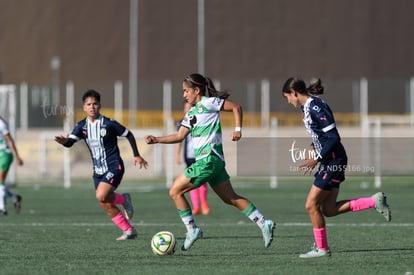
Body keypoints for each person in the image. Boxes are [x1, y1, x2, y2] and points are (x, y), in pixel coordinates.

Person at [145, 73, 275, 251]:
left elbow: (236, 107)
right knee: (231, 198)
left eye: (186, 91)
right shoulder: (191, 113)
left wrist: (238, 130)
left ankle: (192, 230)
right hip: (215, 162)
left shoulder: (209, 102)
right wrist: (156, 140)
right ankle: (263, 222)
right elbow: (179, 136)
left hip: (208, 160)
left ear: (196, 90)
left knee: (175, 191)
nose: (184, 95)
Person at [281, 77, 391, 258]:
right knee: (329, 209)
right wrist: (312, 146)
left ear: (294, 92)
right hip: (330, 160)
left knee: (310, 205)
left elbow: (333, 137)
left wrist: (317, 157)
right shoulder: (306, 107)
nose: (288, 101)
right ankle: (374, 201)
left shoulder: (316, 107)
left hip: (333, 161)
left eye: (287, 97)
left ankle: (322, 249)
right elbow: (320, 133)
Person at [55, 89, 148, 240]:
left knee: (101, 195)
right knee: (104, 202)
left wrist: (136, 154)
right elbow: (70, 143)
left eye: (95, 104)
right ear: (84, 107)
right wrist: (64, 141)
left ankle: (124, 200)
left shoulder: (109, 123)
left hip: (114, 166)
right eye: (88, 104)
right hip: (98, 171)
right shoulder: (81, 126)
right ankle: (129, 231)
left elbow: (128, 134)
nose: (92, 107)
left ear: (100, 106)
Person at [175, 102, 210, 215]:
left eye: (189, 107)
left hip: (200, 154)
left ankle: (204, 203)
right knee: (192, 180)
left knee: (202, 179)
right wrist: (177, 154)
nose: (187, 109)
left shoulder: (200, 120)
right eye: (186, 107)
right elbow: (179, 139)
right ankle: (196, 206)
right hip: (189, 155)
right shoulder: (181, 122)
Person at [0, 116, 23, 215]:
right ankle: (15, 198)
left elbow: (10, 140)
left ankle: (2, 208)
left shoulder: (1, 124)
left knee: (0, 182)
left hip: (5, 154)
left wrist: (17, 156)